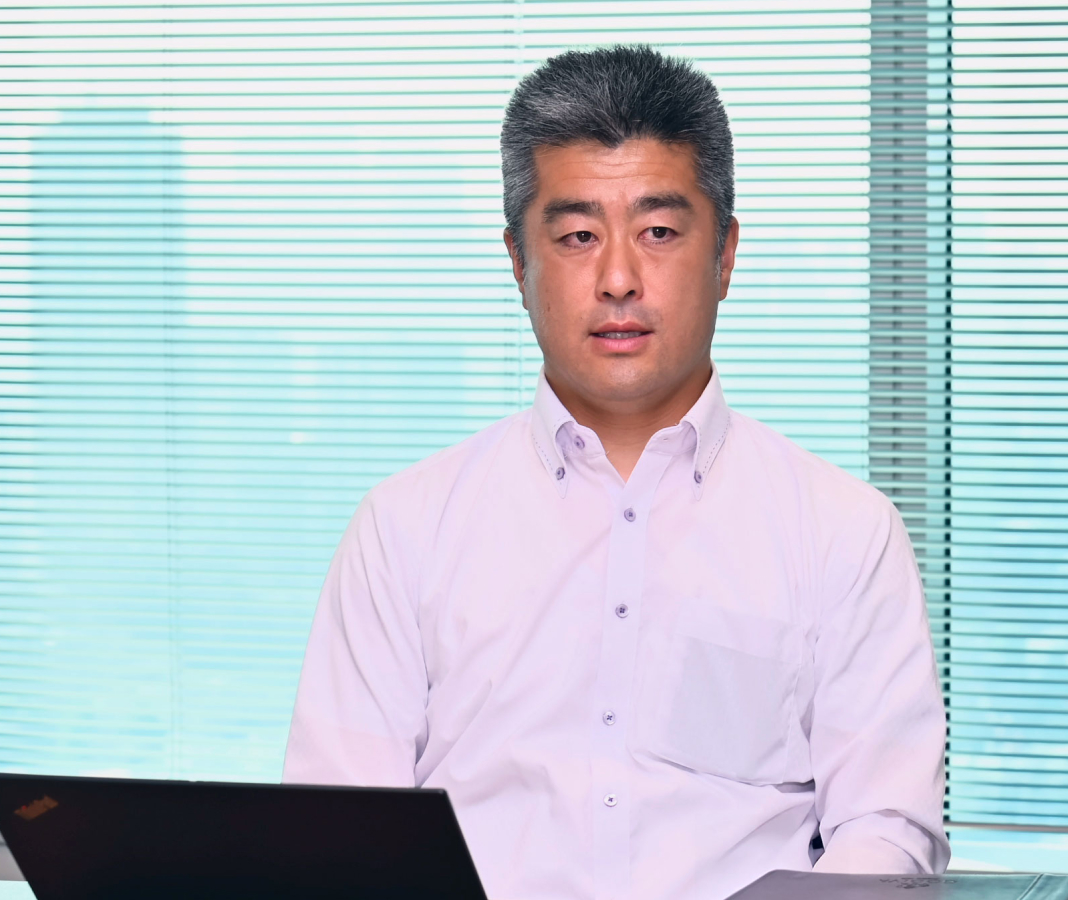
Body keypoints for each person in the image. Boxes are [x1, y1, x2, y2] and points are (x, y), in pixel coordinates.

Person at [284, 44, 948, 900]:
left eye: (660, 232)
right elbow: (340, 828)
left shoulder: (844, 532)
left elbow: (887, 831)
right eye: (577, 236)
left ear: (727, 254)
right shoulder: (405, 527)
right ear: (519, 263)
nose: (620, 278)